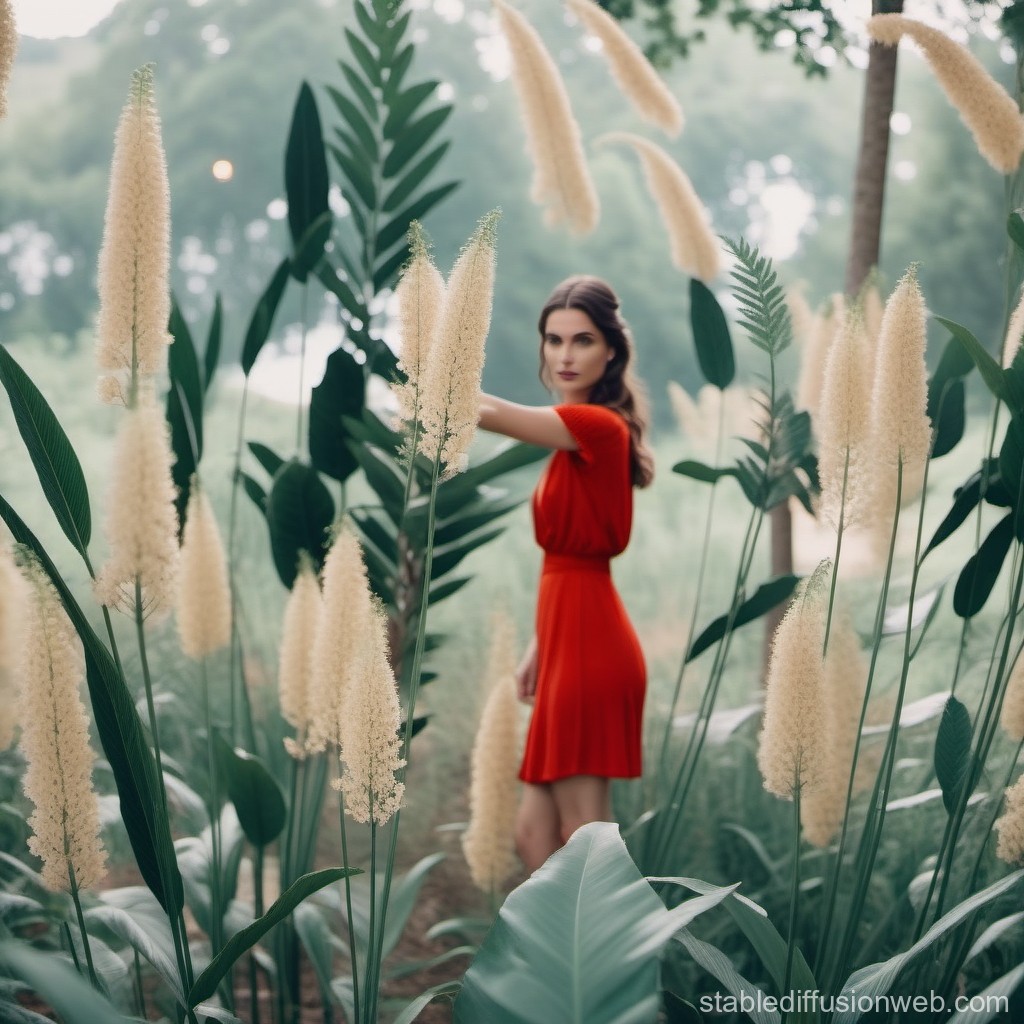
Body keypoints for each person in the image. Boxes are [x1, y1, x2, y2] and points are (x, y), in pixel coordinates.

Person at [477, 275, 654, 872]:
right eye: (553, 341)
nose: (565, 355)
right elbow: (563, 566)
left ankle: (613, 965)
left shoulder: (599, 428)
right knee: (533, 836)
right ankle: (560, 966)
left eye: (582, 340)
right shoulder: (571, 439)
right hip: (565, 641)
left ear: (611, 351)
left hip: (593, 646)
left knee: (583, 841)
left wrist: (436, 381)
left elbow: (496, 414)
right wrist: (539, 648)